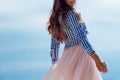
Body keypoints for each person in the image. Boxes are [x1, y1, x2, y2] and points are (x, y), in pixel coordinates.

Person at [43, 0, 108, 80]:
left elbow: (54, 47)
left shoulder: (55, 18)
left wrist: (56, 68)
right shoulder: (70, 14)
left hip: (68, 59)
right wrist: (97, 59)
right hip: (81, 55)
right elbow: (81, 38)